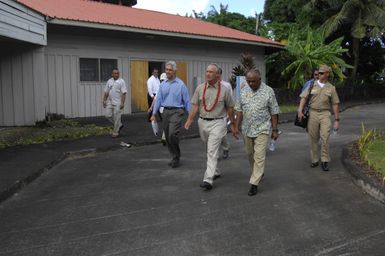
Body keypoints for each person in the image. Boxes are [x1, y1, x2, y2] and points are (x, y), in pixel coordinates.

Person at [184, 63, 236, 191]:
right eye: (207, 71)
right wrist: (190, 119)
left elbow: (230, 107)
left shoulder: (224, 90)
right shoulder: (200, 88)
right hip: (202, 122)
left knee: (212, 150)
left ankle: (208, 179)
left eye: (211, 72)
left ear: (217, 75)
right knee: (208, 149)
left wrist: (233, 124)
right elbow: (195, 105)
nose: (208, 74)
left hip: (218, 122)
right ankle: (216, 171)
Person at [234, 69, 280, 196]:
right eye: (248, 81)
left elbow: (274, 112)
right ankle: (258, 172)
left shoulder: (268, 91)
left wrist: (274, 130)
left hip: (262, 128)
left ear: (259, 80)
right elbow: (239, 110)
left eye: (253, 81)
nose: (250, 84)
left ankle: (254, 183)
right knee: (250, 154)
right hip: (247, 129)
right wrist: (236, 127)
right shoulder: (243, 91)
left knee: (259, 155)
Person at [297, 64, 340, 172]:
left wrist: (337, 120)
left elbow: (335, 104)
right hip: (313, 113)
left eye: (321, 73)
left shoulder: (331, 88)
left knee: (325, 137)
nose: (318, 75)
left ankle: (325, 160)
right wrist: (300, 110)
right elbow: (303, 97)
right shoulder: (311, 85)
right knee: (313, 138)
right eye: (318, 73)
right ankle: (314, 159)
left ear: (327, 74)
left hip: (325, 114)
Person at [151, 61, 191, 168]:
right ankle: (174, 156)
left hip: (177, 111)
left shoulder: (181, 84)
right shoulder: (163, 85)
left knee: (172, 134)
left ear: (174, 71)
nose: (168, 71)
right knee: (167, 138)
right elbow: (158, 100)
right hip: (166, 112)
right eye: (166, 69)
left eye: (170, 70)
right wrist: (154, 113)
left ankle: (176, 156)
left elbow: (187, 101)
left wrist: (190, 117)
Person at [102, 69, 127, 138]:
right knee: (107, 115)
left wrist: (122, 103)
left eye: (117, 73)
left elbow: (124, 93)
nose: (116, 74)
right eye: (115, 73)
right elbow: (106, 92)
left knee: (117, 117)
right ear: (112, 74)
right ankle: (119, 125)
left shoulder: (121, 81)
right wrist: (104, 100)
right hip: (110, 101)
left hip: (118, 102)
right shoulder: (109, 81)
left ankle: (115, 132)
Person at [217, 67, 233, 159]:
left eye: (218, 73)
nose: (216, 75)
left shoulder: (226, 85)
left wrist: (229, 114)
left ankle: (225, 148)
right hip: (213, 114)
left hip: (223, 113)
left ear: (220, 74)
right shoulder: (209, 84)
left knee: (222, 133)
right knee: (214, 134)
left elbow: (230, 100)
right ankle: (215, 153)